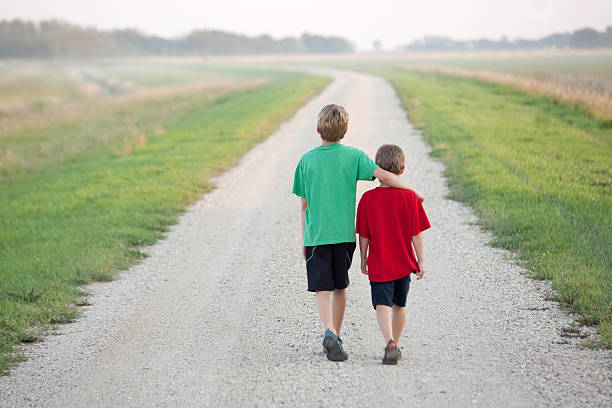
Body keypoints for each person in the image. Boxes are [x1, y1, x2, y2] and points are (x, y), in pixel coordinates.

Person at [292, 104, 424, 362]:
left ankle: (330, 331)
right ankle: (336, 335)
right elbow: (383, 175)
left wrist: (303, 238)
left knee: (323, 288)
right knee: (340, 286)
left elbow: (304, 205)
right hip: (343, 235)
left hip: (316, 236)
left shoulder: (306, 160)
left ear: (318, 130)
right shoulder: (353, 156)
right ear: (345, 131)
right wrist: (412, 191)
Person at [356, 144, 430, 365]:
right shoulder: (409, 198)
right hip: (402, 263)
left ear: (377, 169)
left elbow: (364, 235)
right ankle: (394, 344)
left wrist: (363, 258)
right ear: (403, 169)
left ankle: (389, 342)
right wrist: (421, 260)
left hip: (380, 264)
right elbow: (416, 234)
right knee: (399, 305)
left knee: (382, 305)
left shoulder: (368, 199)